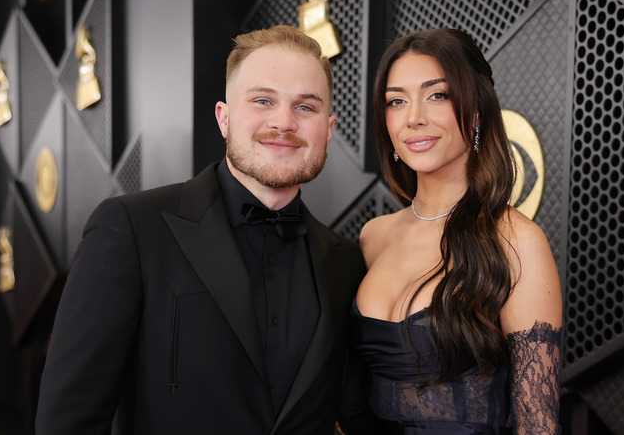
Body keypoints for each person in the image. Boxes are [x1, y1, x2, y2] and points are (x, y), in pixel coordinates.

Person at [36, 25, 373, 434]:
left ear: (330, 129)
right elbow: (69, 418)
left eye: (306, 107)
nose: (284, 122)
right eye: (263, 100)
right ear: (224, 119)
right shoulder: (132, 228)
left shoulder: (346, 261)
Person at [352, 28, 563, 434]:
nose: (414, 117)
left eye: (438, 95)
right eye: (397, 101)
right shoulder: (372, 237)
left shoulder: (515, 241)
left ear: (477, 111)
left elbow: (537, 427)